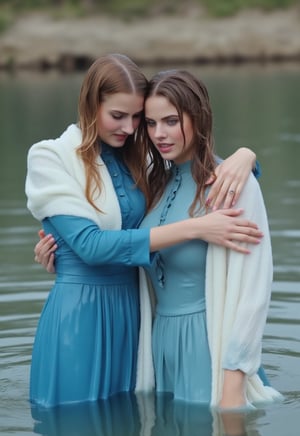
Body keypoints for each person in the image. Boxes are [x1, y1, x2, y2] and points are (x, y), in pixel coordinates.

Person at [26, 53, 263, 408]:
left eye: (137, 117)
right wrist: (195, 228)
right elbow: (89, 245)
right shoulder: (51, 157)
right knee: (75, 422)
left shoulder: (143, 158)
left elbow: (196, 167)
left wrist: (247, 156)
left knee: (134, 421)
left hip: (137, 315)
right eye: (118, 116)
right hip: (81, 313)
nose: (131, 127)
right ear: (91, 105)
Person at [132, 69, 282, 409]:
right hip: (160, 348)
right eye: (151, 123)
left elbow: (254, 289)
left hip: (208, 347)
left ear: (197, 118)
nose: (160, 134)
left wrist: (234, 380)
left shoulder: (231, 183)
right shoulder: (152, 184)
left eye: (171, 121)